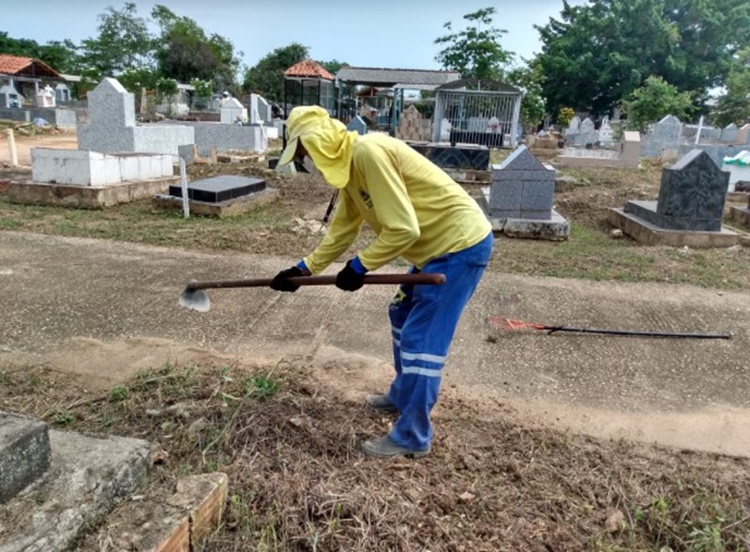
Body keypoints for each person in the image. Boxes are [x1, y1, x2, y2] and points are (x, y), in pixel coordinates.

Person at [271, 106, 493, 459]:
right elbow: (343, 229)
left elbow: (404, 228)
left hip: (458, 248)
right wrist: (303, 269)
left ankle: (413, 436)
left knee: (422, 340)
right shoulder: (351, 170)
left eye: (303, 152)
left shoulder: (368, 153)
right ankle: (404, 394)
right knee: (400, 313)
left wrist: (360, 266)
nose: (305, 161)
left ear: (318, 142)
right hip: (433, 251)